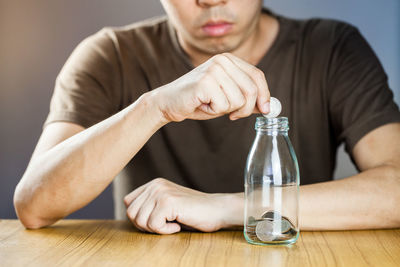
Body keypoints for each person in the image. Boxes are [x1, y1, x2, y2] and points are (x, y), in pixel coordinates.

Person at [14, 0, 400, 234]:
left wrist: (225, 208)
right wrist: (156, 107)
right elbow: (34, 205)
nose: (211, 1)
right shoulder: (109, 54)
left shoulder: (332, 49)